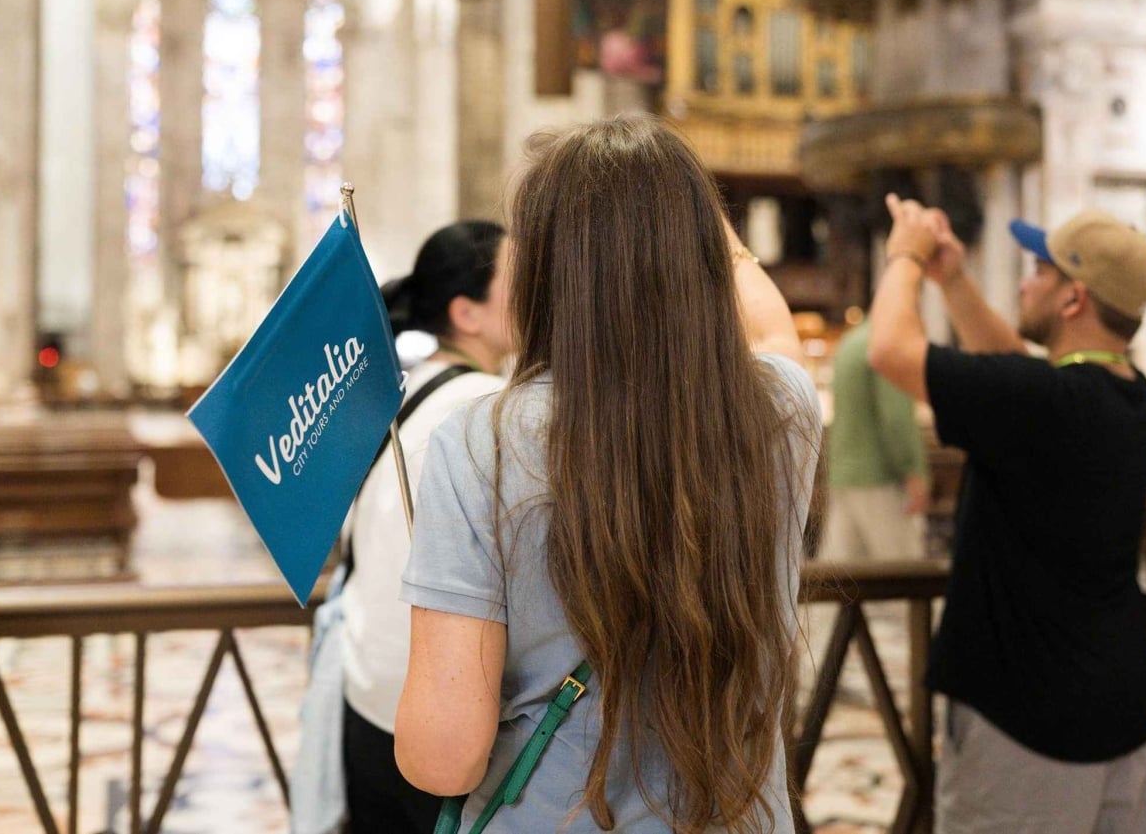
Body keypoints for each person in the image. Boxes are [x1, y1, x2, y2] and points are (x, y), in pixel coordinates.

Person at [394, 114, 821, 833]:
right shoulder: (782, 408)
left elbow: (446, 758)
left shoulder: (480, 440)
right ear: (706, 258)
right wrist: (695, 221)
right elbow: (774, 333)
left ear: (544, 273)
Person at [867, 196, 1146, 833]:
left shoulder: (1041, 403)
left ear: (1073, 299)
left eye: (1040, 269)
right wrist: (954, 279)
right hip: (1120, 709)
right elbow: (1017, 375)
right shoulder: (1134, 398)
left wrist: (906, 256)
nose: (1026, 279)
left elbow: (889, 349)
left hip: (1029, 722)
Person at [339, 221, 513, 833]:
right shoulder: (491, 407)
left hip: (366, 691)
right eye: (519, 280)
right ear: (467, 312)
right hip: (433, 715)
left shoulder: (397, 388)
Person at [823, 317, 931, 560]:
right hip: (880, 476)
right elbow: (896, 419)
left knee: (837, 579)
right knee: (898, 578)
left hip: (843, 473)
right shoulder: (888, 344)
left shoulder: (850, 342)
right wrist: (913, 471)